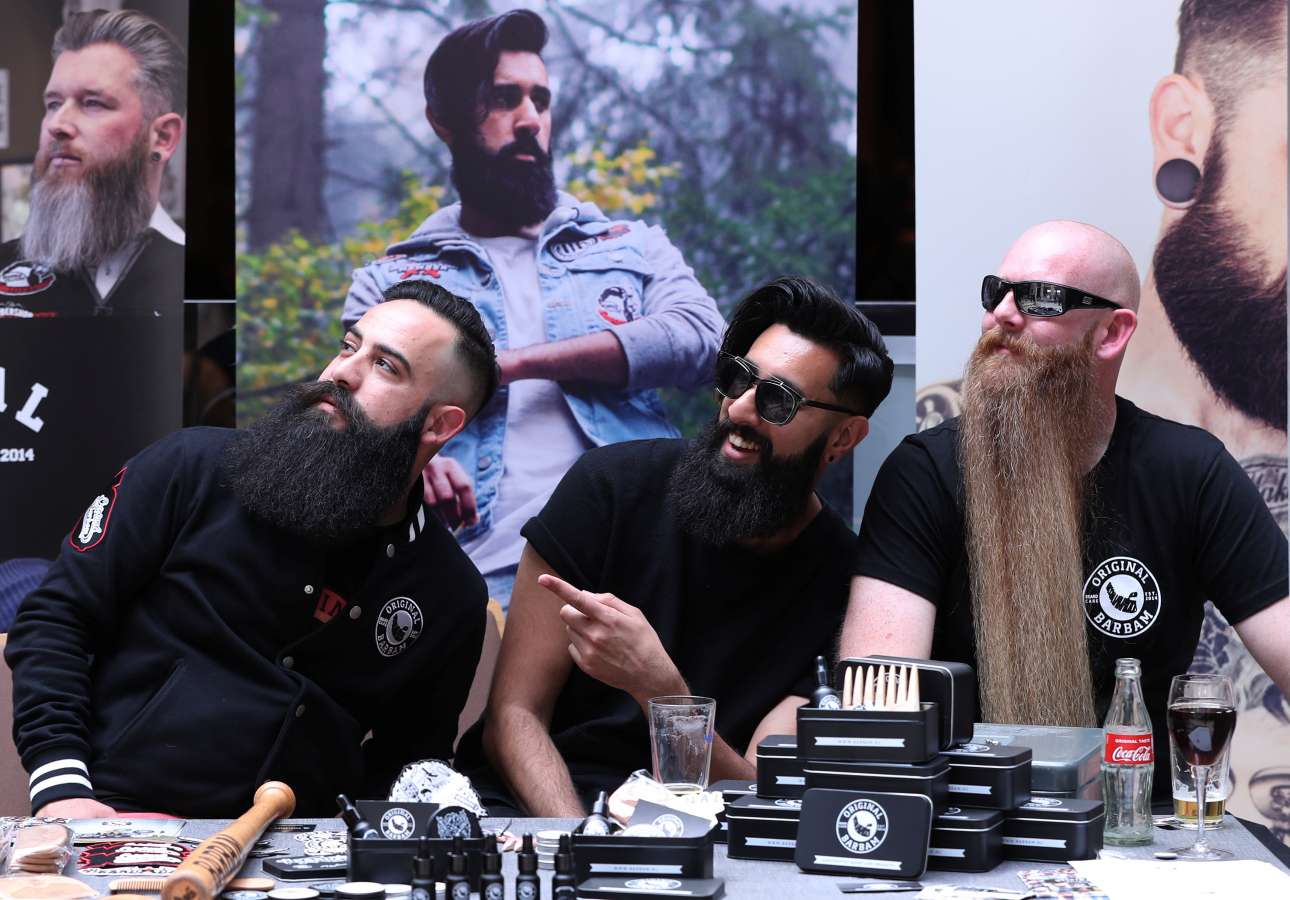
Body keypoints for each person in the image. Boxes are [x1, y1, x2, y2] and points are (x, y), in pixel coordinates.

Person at [6, 280, 496, 818]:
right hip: (115, 812)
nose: (341, 373)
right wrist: (63, 788)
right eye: (349, 347)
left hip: (304, 844)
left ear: (439, 424)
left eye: (385, 366)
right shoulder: (191, 468)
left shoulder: (449, 593)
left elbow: (411, 765)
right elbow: (58, 619)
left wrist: (364, 843)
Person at [844, 221, 1290, 800]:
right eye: (996, 293)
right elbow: (876, 712)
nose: (1002, 315)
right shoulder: (924, 472)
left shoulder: (1190, 471)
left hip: (1138, 828)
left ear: (1111, 332)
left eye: (1041, 298)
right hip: (969, 821)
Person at [451, 276, 893, 816]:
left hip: (706, 827)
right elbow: (514, 717)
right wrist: (579, 841)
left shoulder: (846, 587)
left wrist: (661, 691)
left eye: (778, 400)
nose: (740, 409)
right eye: (739, 379)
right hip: (540, 811)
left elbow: (760, 792)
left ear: (843, 438)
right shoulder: (610, 487)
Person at [342, 9, 724, 608]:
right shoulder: (390, 282)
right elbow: (350, 410)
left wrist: (511, 364)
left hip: (644, 558)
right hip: (475, 581)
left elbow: (705, 340)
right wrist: (403, 459)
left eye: (540, 100)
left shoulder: (630, 245)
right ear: (444, 120)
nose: (530, 120)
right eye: (504, 99)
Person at [0, 9, 187, 319]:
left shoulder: (197, 277)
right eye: (53, 104)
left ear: (162, 137)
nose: (57, 124)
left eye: (92, 103)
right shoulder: (6, 270)